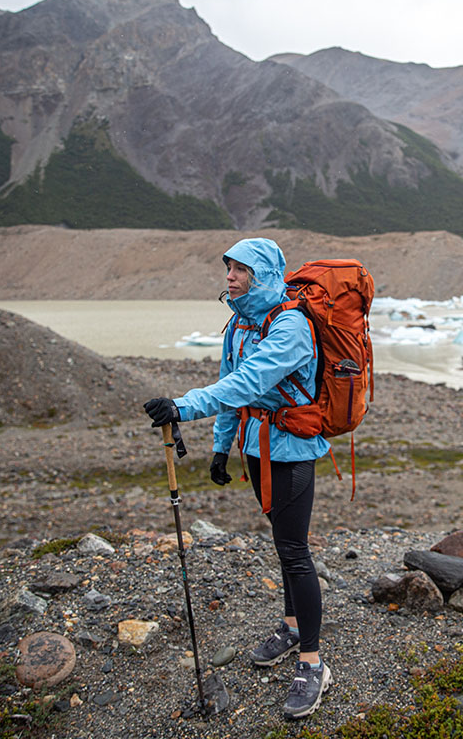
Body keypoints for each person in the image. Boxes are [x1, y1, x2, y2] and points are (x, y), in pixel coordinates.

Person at [144, 237, 331, 720]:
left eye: (240, 269)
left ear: (263, 273)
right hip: (256, 446)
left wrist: (183, 406)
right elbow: (232, 388)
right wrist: (220, 448)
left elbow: (249, 382)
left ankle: (313, 663)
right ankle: (292, 627)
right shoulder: (241, 323)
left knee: (295, 551)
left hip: (292, 450)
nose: (230, 276)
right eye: (228, 267)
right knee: (283, 545)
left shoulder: (292, 325)